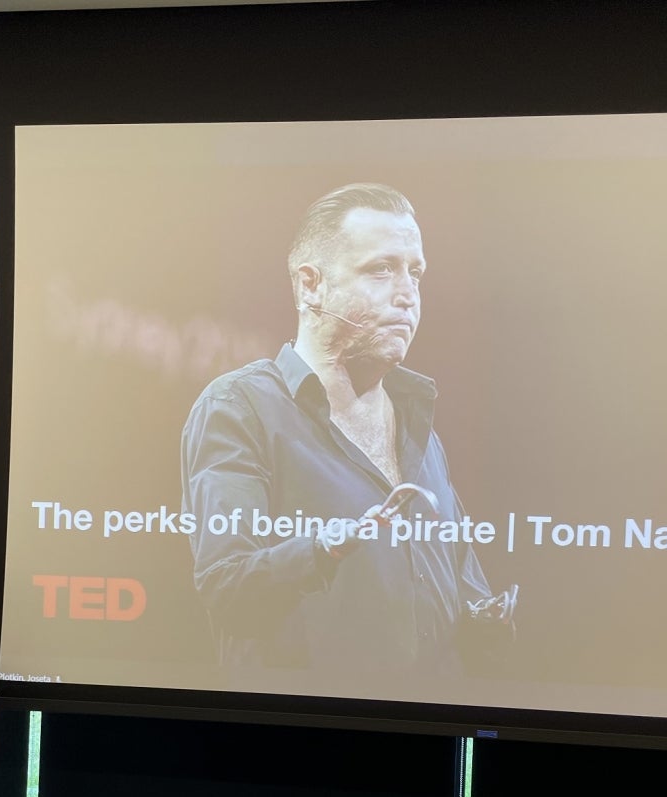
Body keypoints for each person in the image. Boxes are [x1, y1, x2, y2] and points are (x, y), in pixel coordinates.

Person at [181, 182, 516, 700]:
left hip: (425, 739)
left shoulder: (421, 431)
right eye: (381, 269)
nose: (407, 293)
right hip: (301, 743)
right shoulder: (240, 409)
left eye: (416, 273)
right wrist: (323, 548)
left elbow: (463, 587)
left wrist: (485, 619)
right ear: (310, 285)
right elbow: (228, 587)